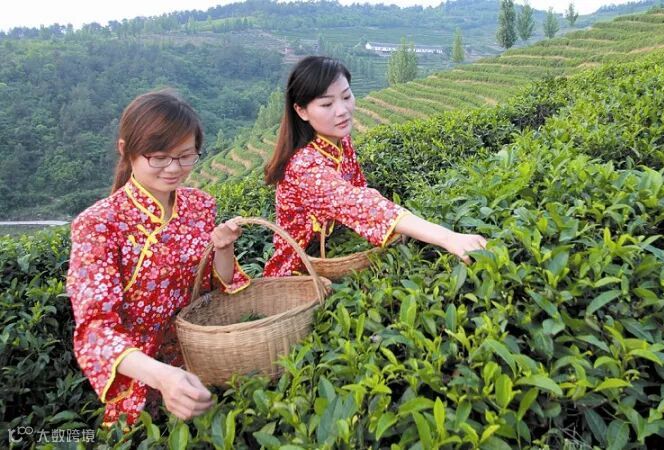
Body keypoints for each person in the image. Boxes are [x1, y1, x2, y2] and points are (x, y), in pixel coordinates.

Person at [66, 89, 250, 427]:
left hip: (203, 359)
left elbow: (215, 285)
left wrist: (224, 248)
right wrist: (162, 376)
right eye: (160, 157)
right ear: (126, 150)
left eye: (185, 156)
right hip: (141, 373)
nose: (174, 168)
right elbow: (95, 330)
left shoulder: (200, 205)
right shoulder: (99, 224)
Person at [263, 56, 487, 277]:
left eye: (346, 96)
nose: (342, 110)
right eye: (327, 104)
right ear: (301, 111)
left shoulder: (340, 140)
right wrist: (448, 237)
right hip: (300, 271)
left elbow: (359, 190)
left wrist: (397, 222)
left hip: (332, 248)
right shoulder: (304, 167)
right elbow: (359, 202)